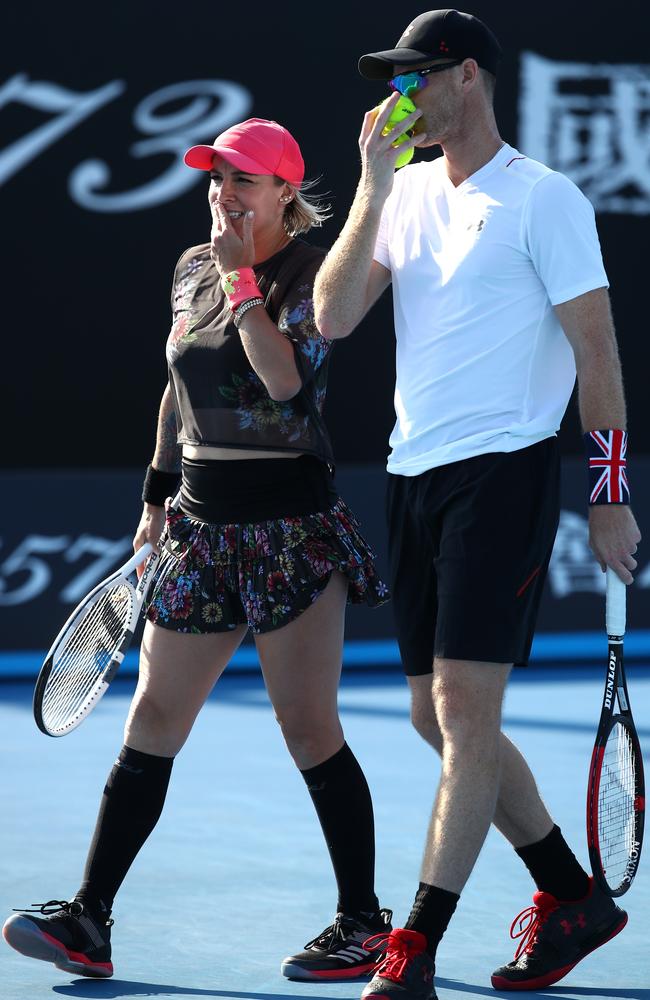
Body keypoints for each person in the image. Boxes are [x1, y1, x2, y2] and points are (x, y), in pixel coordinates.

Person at [2, 117, 393, 982]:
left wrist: (240, 279)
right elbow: (176, 386)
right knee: (151, 721)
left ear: (286, 193)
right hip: (198, 526)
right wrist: (153, 496)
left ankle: (363, 922)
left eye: (244, 181)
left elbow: (284, 381)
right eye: (217, 179)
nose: (225, 195)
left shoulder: (311, 273)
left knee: (308, 726)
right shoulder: (191, 267)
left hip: (290, 530)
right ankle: (89, 919)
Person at [313, 10, 641, 999]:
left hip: (502, 474)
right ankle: (569, 894)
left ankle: (412, 944)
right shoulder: (402, 193)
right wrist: (370, 188)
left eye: (411, 80)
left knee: (460, 710)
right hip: (411, 476)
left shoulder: (546, 199)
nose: (394, 99)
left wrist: (606, 496)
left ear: (464, 80)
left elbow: (597, 354)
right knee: (432, 716)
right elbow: (330, 317)